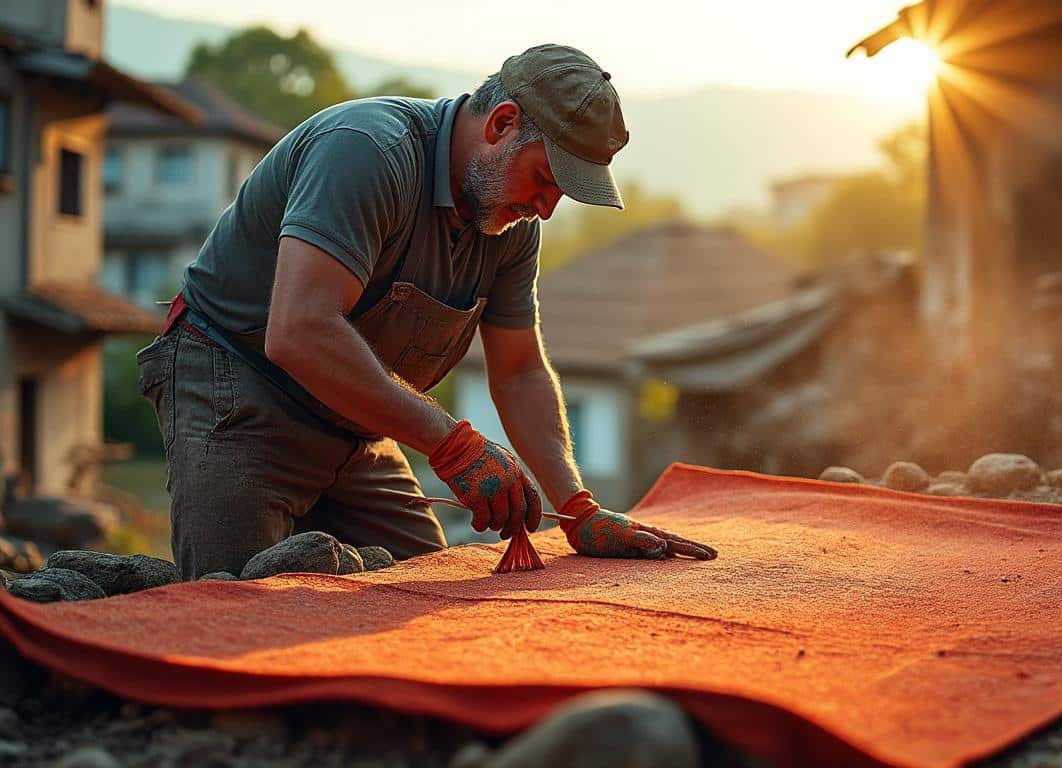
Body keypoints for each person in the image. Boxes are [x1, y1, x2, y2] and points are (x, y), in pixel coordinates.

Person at [135, 43, 717, 579]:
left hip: (353, 418)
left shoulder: (508, 221)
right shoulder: (367, 152)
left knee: (423, 585)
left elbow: (518, 371)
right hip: (238, 380)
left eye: (562, 195)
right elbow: (300, 332)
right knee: (231, 603)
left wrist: (577, 508)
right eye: (546, 179)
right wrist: (452, 443)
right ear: (502, 123)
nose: (545, 209)